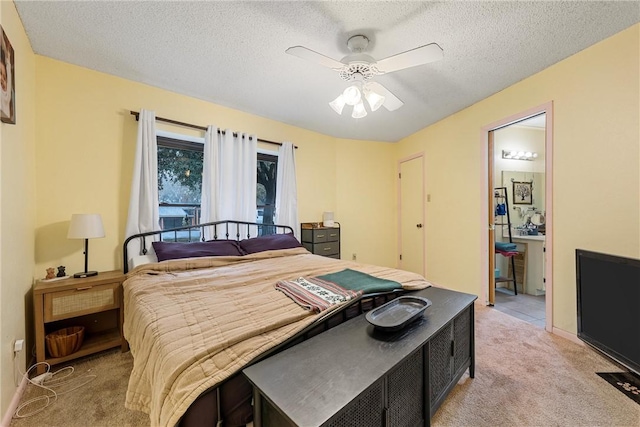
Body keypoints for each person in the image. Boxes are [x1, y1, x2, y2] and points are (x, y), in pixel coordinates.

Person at [0, 39, 13, 121]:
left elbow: (9, 79)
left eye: (4, 77)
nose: (2, 79)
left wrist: (8, 60)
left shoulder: (7, 96)